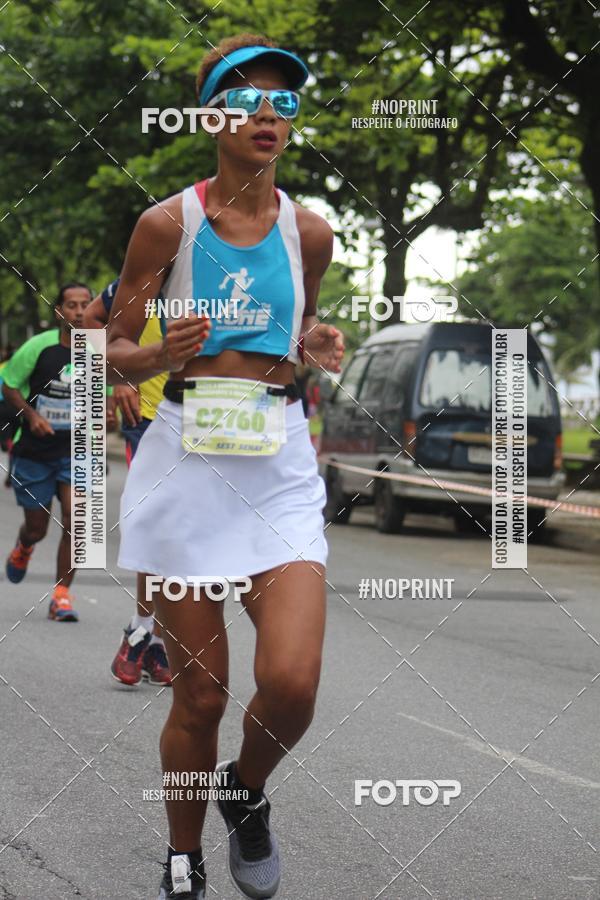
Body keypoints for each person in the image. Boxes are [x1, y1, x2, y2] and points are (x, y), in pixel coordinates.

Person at [107, 33, 344, 900]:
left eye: (284, 102)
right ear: (212, 116)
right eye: (248, 100)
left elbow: (302, 329)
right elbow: (109, 349)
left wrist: (313, 345)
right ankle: (183, 853)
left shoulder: (308, 231)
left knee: (291, 679)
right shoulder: (168, 224)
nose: (268, 115)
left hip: (278, 462)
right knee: (201, 695)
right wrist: (152, 353)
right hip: (186, 461)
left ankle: (245, 792)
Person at [83, 279, 172, 685]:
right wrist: (117, 379)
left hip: (212, 420)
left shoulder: (235, 273)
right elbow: (91, 319)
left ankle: (155, 642)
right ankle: (141, 631)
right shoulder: (150, 275)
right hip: (148, 420)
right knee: (158, 526)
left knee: (189, 535)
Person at [3, 283, 92, 621]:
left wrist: (109, 414)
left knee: (78, 521)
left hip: (77, 451)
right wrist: (32, 416)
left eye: (86, 304)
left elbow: (106, 393)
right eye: (72, 305)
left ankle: (61, 595)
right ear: (59, 312)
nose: (80, 312)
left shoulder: (97, 350)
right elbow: (9, 384)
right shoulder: (38, 347)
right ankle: (24, 546)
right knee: (37, 527)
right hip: (35, 452)